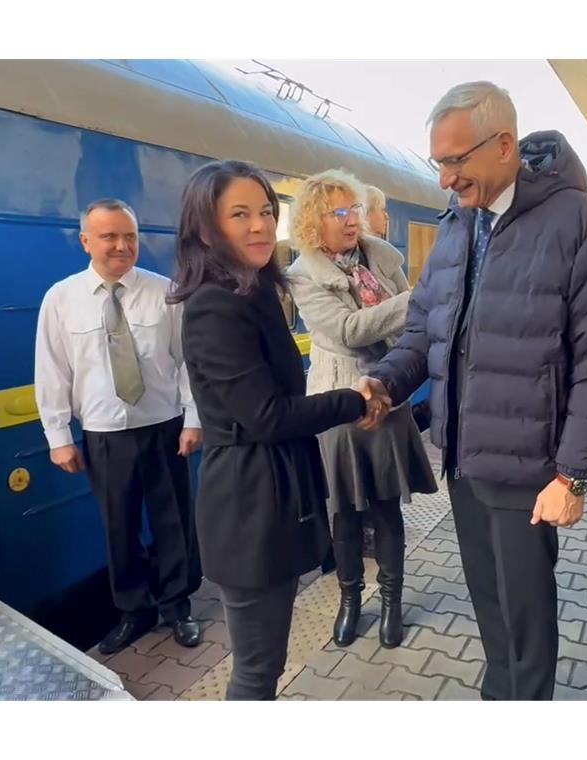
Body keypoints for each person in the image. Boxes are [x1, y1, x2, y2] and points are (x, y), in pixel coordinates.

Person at [358, 81, 587, 700]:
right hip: (463, 456)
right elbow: (424, 330)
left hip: (530, 468)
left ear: (505, 145)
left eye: (456, 161)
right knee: (489, 602)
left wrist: (574, 476)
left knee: (527, 615)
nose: (445, 179)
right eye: (439, 163)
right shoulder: (458, 225)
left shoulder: (584, 223)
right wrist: (385, 383)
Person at [169, 160, 379, 700]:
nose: (260, 225)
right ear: (205, 227)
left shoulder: (251, 290)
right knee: (257, 672)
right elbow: (265, 416)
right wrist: (350, 399)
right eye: (240, 215)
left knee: (268, 662)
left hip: (267, 494)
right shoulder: (215, 305)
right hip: (248, 503)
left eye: (266, 211)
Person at [35, 198, 203, 655]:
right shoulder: (61, 299)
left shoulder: (164, 292)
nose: (121, 245)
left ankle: (177, 607)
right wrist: (58, 437)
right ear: (86, 240)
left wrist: (193, 419)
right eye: (109, 236)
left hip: (165, 427)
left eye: (129, 236)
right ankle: (134, 611)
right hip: (103, 434)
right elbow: (51, 370)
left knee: (173, 521)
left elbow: (188, 362)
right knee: (118, 525)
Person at [286, 170, 437, 649]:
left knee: (386, 506)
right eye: (341, 212)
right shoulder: (301, 275)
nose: (353, 220)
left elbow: (414, 330)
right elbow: (348, 331)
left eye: (355, 210)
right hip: (337, 402)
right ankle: (350, 600)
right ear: (314, 220)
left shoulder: (382, 259)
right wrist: (416, 299)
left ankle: (391, 600)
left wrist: (411, 309)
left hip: (388, 394)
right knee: (344, 512)